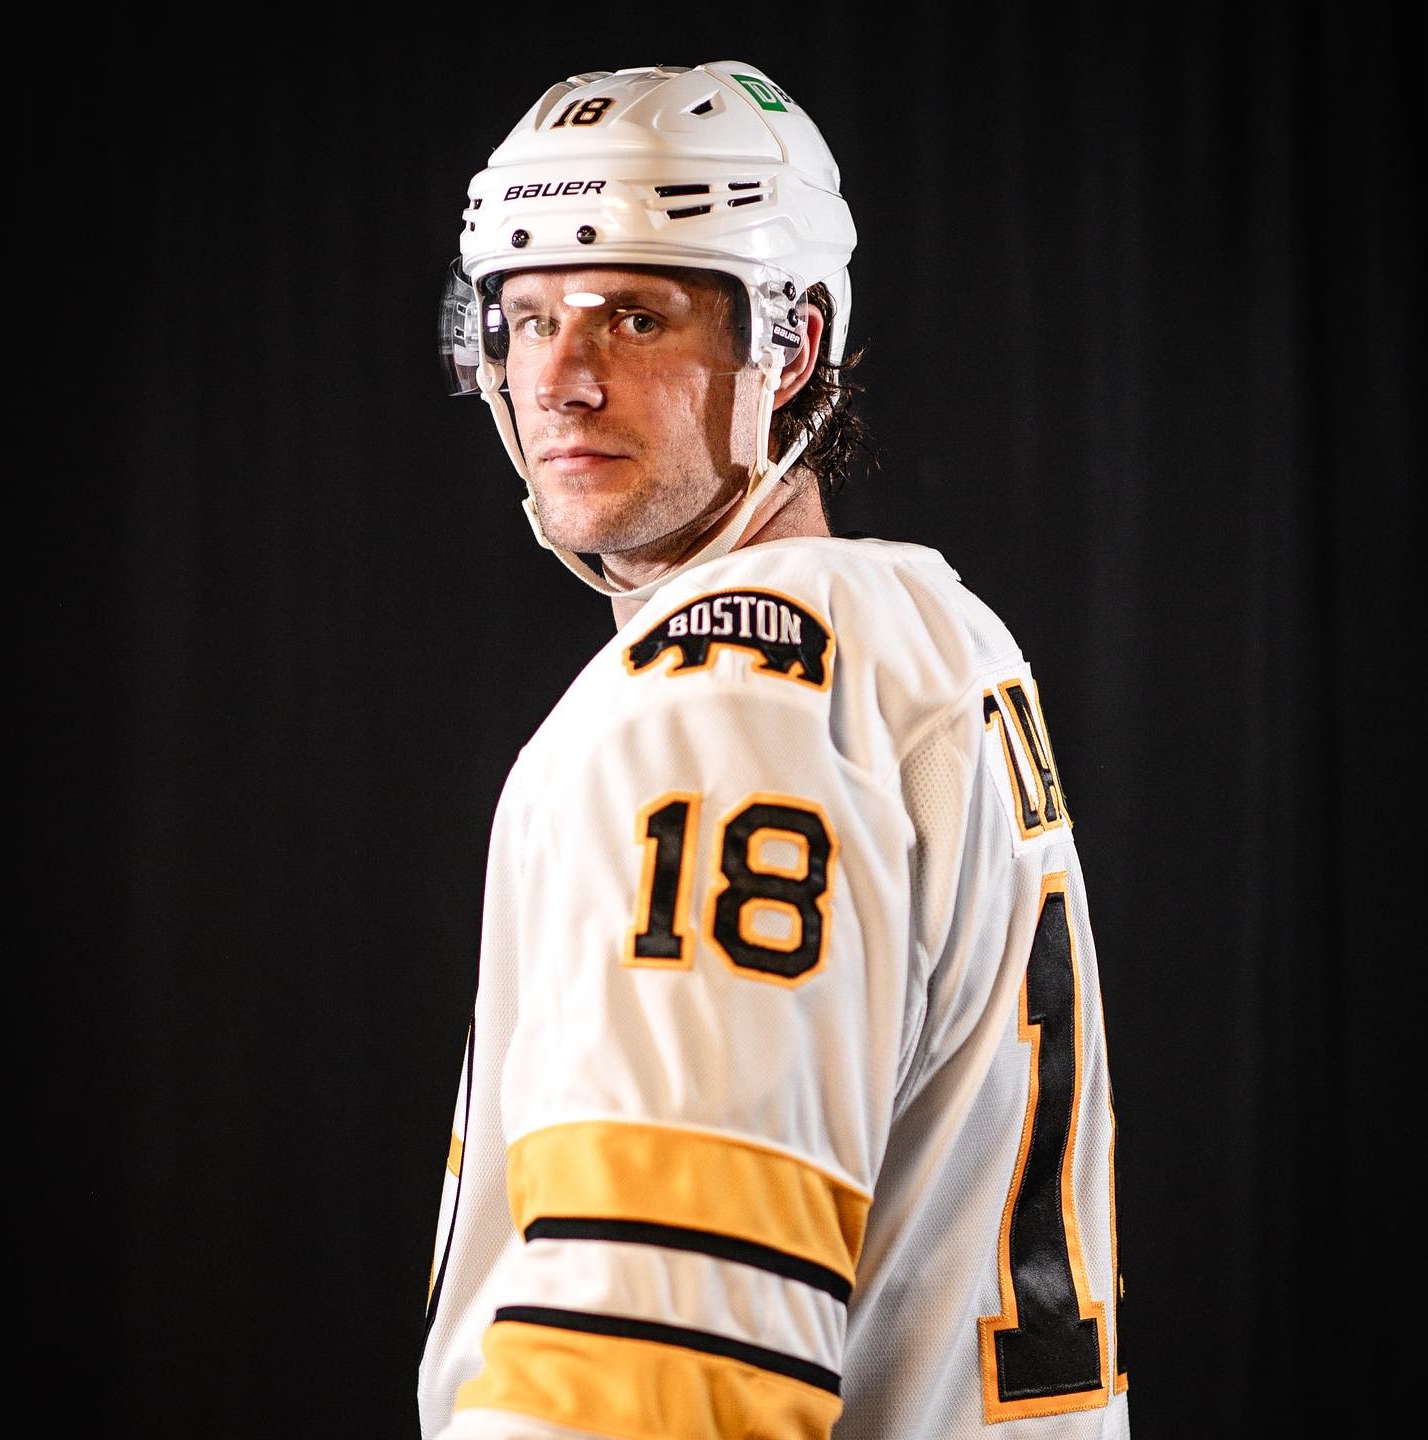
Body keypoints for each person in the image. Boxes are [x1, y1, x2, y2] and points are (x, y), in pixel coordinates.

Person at [421, 60, 1130, 1440]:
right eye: (529, 317)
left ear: (790, 348)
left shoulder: (722, 689)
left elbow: (660, 1370)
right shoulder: (934, 633)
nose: (559, 380)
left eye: (635, 315)